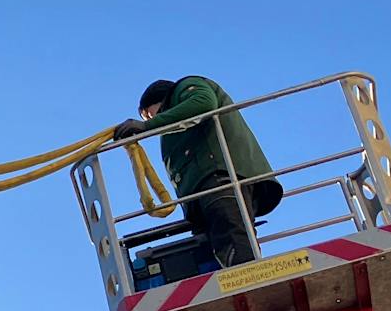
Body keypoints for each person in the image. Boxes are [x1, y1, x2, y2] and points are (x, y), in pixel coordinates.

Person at [114, 77, 283, 268]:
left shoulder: (186, 88)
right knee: (216, 246)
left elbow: (204, 103)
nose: (150, 119)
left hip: (219, 178)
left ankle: (250, 277)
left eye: (148, 114)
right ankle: (237, 274)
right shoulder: (172, 130)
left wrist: (147, 126)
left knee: (231, 234)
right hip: (202, 194)